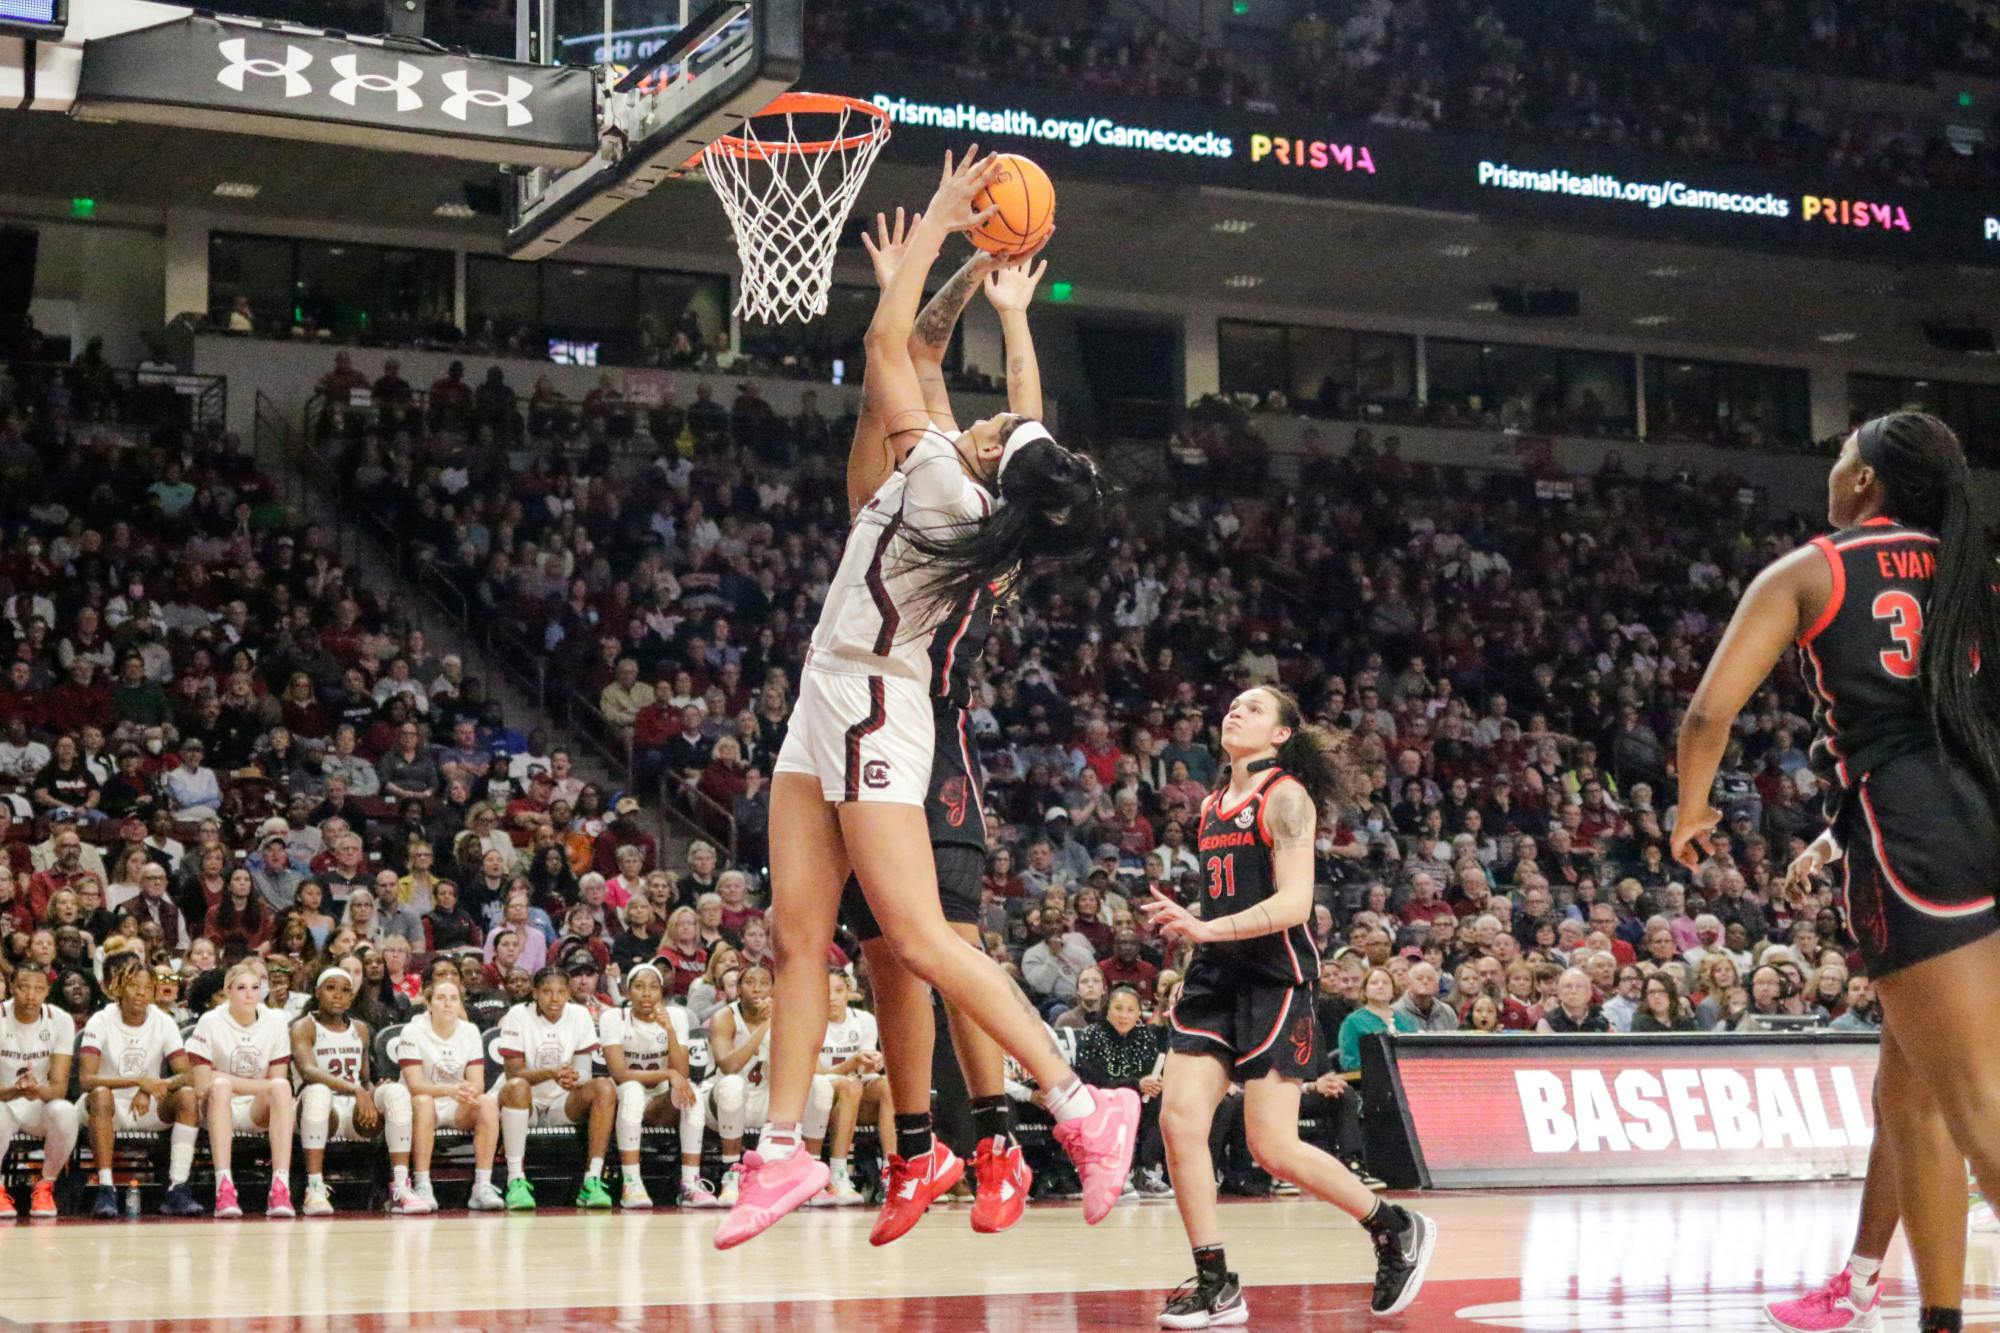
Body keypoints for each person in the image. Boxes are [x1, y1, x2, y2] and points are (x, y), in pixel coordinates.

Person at [717, 155, 1127, 1253]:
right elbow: (989, 397)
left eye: (1002, 429)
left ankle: (1076, 1103)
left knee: (917, 936)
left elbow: (889, 350)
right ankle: (782, 1150)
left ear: (993, 463)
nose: (994, 420)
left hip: (876, 708)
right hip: (830, 695)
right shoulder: (993, 499)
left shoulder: (947, 484)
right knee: (797, 938)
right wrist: (1003, 303)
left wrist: (946, 225)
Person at [1672, 414, 2000, 1333]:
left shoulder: (1816, 566)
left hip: (1915, 834)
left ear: (1865, 484)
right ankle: (1935, 1315)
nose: (1832, 473)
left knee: (1974, 1098)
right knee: (1912, 1094)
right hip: (1979, 808)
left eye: (1839, 458)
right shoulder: (1974, 569)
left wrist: (1692, 808)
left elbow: (1707, 715)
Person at [1144, 686, 1435, 1325]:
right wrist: (1195, 920)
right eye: (1233, 705)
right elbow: (1230, 905)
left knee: (1271, 1146)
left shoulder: (1286, 797)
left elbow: (1295, 904)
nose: (1235, 711)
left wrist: (1207, 928)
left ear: (1281, 735)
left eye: (1253, 708)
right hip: (1215, 978)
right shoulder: (1214, 804)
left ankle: (1393, 1226)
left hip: (1276, 980)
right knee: (1179, 1121)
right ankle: (1215, 1279)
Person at [80, 963, 204, 1217]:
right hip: (104, 1106)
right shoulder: (101, 1020)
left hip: (147, 1105)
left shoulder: (164, 1021)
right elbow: (86, 1079)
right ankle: (106, 1189)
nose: (141, 993)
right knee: (101, 1093)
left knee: (187, 1097)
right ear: (120, 988)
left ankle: (177, 1187)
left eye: (148, 987)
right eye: (134, 986)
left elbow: (187, 1074)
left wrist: (152, 1087)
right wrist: (139, 1081)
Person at [495, 966, 615, 1210]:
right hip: (523, 1102)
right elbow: (513, 1073)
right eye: (548, 991)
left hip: (561, 1102)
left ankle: (592, 1179)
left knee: (604, 1086)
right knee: (517, 1086)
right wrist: (551, 1072)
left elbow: (583, 1072)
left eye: (561, 992)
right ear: (535, 992)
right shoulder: (517, 1014)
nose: (555, 998)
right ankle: (515, 1180)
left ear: (569, 994)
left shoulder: (579, 1015)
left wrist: (574, 1078)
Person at [187, 961, 298, 1218]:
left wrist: (223, 1076)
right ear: (227, 991)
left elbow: (277, 1081)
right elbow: (203, 1085)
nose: (249, 994)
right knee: (221, 1088)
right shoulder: (211, 1021)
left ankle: (280, 1186)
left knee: (282, 1087)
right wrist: (235, 1082)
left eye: (255, 987)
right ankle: (224, 1187)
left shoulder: (275, 1020)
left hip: (254, 1109)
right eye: (241, 988)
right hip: (216, 1107)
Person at [292, 969, 404, 1215]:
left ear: (352, 997)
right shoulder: (303, 1027)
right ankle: (314, 1187)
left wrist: (373, 1093)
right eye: (331, 988)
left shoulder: (361, 1029)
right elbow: (309, 1071)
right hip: (317, 1110)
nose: (338, 996)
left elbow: (364, 1079)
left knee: (396, 1092)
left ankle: (400, 1188)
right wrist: (357, 1090)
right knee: (318, 1092)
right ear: (317, 992)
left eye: (345, 991)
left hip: (353, 1110)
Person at [394, 976, 504, 1211]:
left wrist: (467, 1091)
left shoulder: (470, 1031)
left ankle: (482, 1186)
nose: (447, 1004)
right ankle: (423, 1183)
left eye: (453, 999)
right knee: (423, 1102)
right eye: (441, 998)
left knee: (485, 1102)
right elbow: (415, 1086)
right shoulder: (412, 1031)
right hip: (422, 1104)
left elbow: (477, 1084)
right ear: (429, 1002)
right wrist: (451, 1089)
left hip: (455, 1103)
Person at [599, 962, 699, 1210]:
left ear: (661, 992)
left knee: (691, 1093)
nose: (646, 993)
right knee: (632, 1089)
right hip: (624, 1100)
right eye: (639, 987)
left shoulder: (676, 1016)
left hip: (658, 1103)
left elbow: (683, 1072)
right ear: (627, 991)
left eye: (653, 987)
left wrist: (670, 1032)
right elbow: (620, 1074)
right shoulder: (613, 1017)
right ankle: (631, 1182)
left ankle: (690, 1184)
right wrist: (669, 1073)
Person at [807, 969, 890, 1208]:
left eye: (838, 991)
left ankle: (890, 1171)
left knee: (886, 1086)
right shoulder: (810, 1022)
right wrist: (853, 1062)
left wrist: (872, 1062)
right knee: (850, 1086)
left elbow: (863, 1073)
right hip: (817, 1098)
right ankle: (838, 1173)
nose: (831, 997)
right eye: (825, 991)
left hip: (852, 1095)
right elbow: (818, 1074)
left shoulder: (865, 1020)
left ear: (849, 993)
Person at [0, 966, 79, 1218]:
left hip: (37, 1102)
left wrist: (37, 1090)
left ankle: (45, 1185)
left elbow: (59, 1087)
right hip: (3, 1101)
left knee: (66, 1112)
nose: (31, 996)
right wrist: (14, 1090)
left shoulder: (61, 1020)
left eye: (39, 989)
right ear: (12, 988)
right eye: (24, 987)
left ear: (47, 991)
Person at [708, 961, 773, 1207]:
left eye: (764, 983)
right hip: (721, 1102)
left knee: (815, 1086)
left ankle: (806, 1172)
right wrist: (765, 1027)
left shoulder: (784, 1017)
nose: (757, 989)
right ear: (737, 989)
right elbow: (728, 1066)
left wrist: (776, 1027)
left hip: (763, 1099)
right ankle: (731, 1172)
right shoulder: (724, 1017)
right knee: (734, 1084)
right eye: (750, 983)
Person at [1630, 972, 1698, 1032]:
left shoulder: (1686, 1023)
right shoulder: (1640, 1023)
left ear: (1671, 995)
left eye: (1662, 991)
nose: (1656, 996)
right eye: (1651, 992)